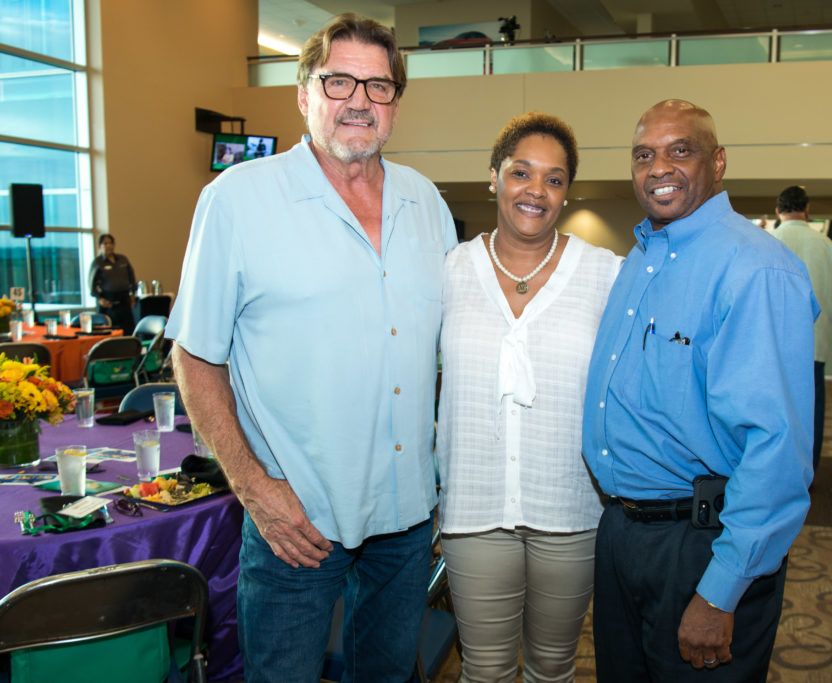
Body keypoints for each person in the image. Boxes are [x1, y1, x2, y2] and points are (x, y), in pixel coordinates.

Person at [165, 13, 457, 683]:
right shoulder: (237, 200)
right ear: (303, 94)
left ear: (395, 104)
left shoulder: (427, 205)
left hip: (408, 520)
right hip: (295, 523)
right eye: (338, 81)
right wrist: (253, 488)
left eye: (378, 86)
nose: (358, 100)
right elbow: (194, 356)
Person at [582, 100, 819, 681]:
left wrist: (721, 592)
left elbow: (776, 447)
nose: (658, 166)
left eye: (679, 150)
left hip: (701, 545)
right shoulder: (641, 260)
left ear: (718, 162)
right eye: (644, 155)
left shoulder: (756, 267)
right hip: (622, 534)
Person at [436, 112, 622, 682]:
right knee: (485, 671)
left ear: (567, 192)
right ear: (493, 178)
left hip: (569, 505)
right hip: (474, 507)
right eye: (521, 172)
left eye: (554, 178)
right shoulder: (449, 270)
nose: (535, 190)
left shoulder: (605, 275)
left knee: (552, 668)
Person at [772, 185, 832, 474]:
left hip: (773, 343)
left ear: (778, 211)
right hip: (814, 342)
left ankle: (777, 467)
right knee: (812, 406)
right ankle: (809, 469)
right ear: (807, 210)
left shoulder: (767, 240)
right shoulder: (825, 244)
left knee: (775, 405)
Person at [87, 233, 136, 334]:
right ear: (100, 246)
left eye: (110, 243)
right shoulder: (98, 262)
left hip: (124, 300)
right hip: (109, 302)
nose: (108, 246)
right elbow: (91, 284)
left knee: (128, 330)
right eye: (105, 243)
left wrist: (133, 293)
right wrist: (99, 298)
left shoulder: (122, 259)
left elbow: (131, 276)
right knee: (111, 331)